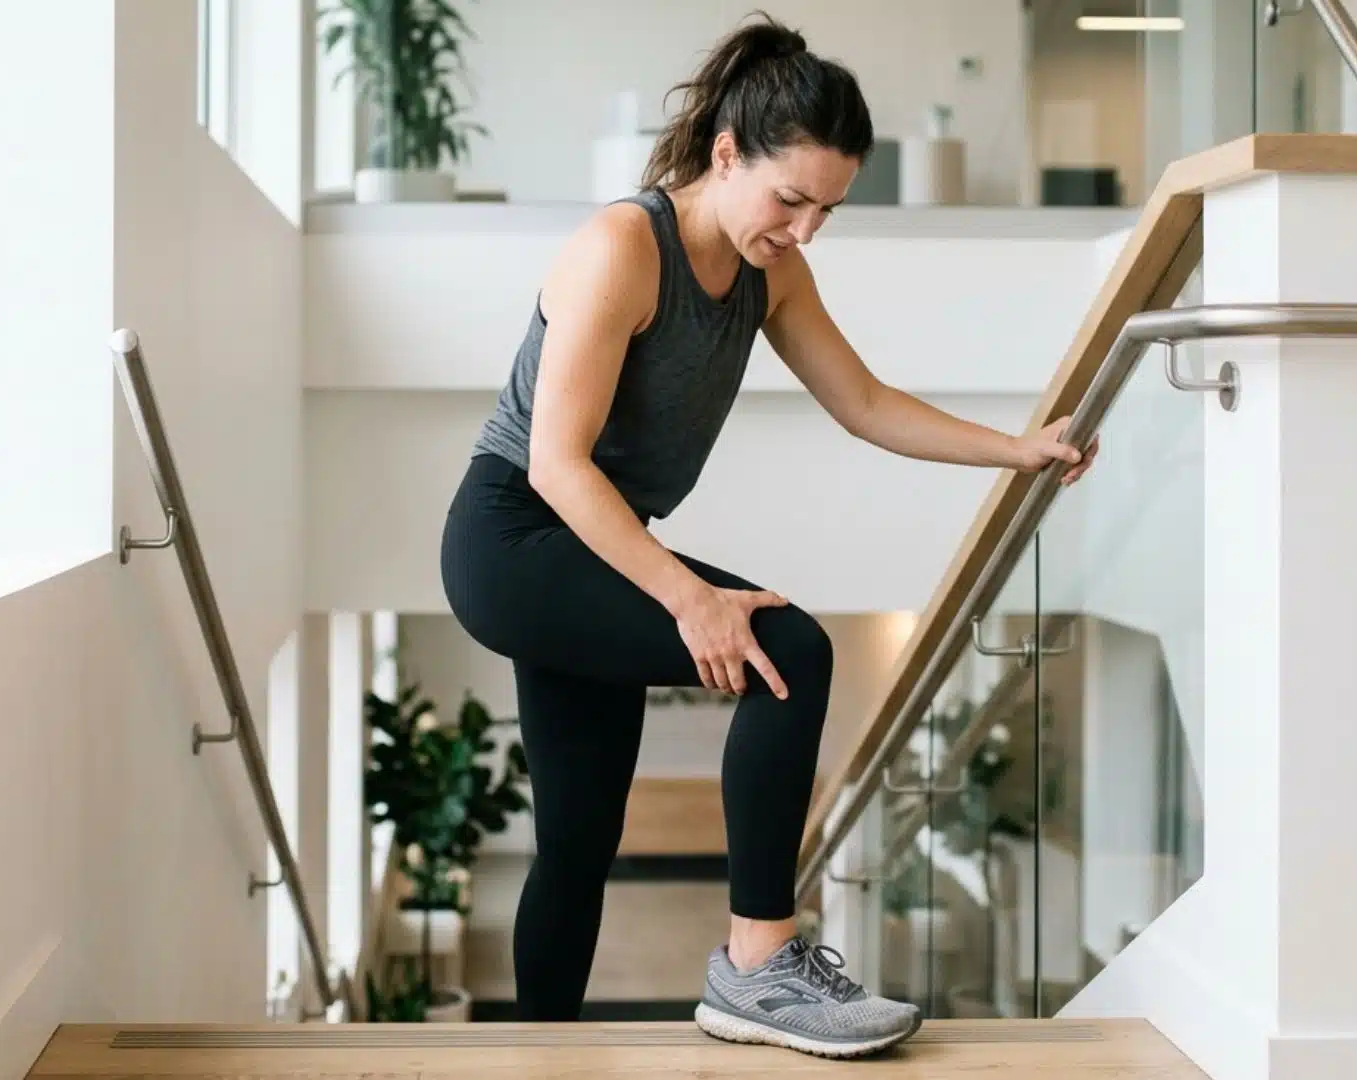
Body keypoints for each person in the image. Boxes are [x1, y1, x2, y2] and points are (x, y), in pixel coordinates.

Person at [437, 12, 1097, 1060]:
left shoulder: (769, 269)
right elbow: (559, 466)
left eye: (827, 209)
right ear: (728, 152)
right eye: (791, 199)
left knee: (575, 837)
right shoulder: (623, 246)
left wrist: (1017, 450)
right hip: (516, 537)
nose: (804, 229)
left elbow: (866, 402)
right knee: (789, 648)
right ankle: (757, 966)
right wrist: (689, 598)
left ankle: (535, 1056)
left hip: (590, 543)